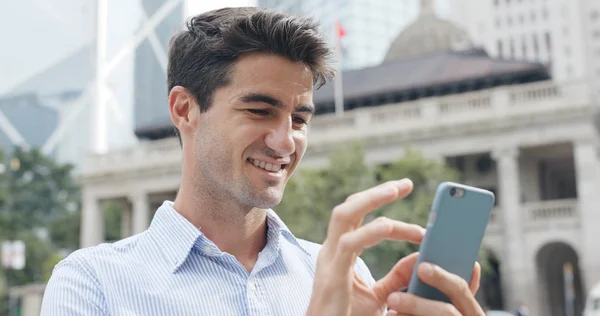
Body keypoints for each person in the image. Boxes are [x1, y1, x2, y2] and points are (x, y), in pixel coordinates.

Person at [41, 7, 484, 316]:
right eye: (259, 111)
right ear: (183, 110)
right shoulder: (91, 283)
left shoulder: (343, 276)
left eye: (299, 118)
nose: (284, 141)